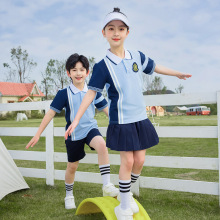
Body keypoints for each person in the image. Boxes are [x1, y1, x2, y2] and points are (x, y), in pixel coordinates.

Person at [65, 8, 192, 220]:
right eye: (111, 29)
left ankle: (126, 193)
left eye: (121, 29)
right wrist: (76, 118)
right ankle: (123, 207)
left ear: (127, 32)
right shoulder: (102, 66)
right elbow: (90, 94)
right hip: (121, 121)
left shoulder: (136, 56)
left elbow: (155, 66)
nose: (116, 32)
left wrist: (176, 73)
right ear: (103, 32)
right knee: (128, 162)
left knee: (140, 160)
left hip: (140, 119)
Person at [26, 53, 119, 210]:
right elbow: (50, 114)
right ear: (68, 73)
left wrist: (120, 123)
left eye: (82, 69)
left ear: (87, 72)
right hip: (73, 134)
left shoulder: (93, 91)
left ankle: (107, 185)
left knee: (102, 145)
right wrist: (37, 134)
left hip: (90, 129)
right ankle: (69, 195)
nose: (78, 73)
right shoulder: (64, 93)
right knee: (72, 166)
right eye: (74, 70)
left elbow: (107, 110)